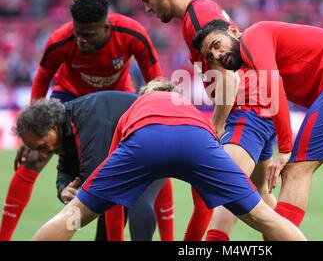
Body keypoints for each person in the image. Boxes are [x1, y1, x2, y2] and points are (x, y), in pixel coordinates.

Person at [194, 19, 323, 241]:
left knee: (295, 171)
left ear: (234, 32)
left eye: (217, 45)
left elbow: (274, 88)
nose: (216, 56)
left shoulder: (252, 37)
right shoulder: (261, 50)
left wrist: (285, 149)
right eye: (209, 56)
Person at [28, 80, 306, 241]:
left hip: (145, 138)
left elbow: (112, 201)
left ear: (145, 94)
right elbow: (202, 201)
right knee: (263, 216)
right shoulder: (191, 108)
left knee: (73, 215)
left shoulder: (136, 107)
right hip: (198, 139)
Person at [0, 0, 174, 241]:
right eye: (78, 32)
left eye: (89, 35)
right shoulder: (61, 40)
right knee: (34, 156)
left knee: (150, 162)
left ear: (107, 27)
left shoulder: (131, 34)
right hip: (69, 100)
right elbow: (42, 78)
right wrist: (33, 129)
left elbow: (156, 80)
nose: (81, 40)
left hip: (115, 102)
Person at [133, 0, 277, 241]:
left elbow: (229, 78)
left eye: (147, 0)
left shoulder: (198, 17)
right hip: (260, 105)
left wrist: (217, 124)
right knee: (259, 198)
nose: (147, 9)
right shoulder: (199, 12)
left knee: (223, 195)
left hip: (246, 108)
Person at [11, 91, 165, 240]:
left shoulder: (86, 120)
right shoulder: (67, 123)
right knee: (111, 197)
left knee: (136, 200)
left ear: (52, 128)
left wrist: (69, 216)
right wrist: (64, 188)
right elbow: (67, 167)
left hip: (158, 135)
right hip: (140, 145)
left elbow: (97, 179)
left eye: (42, 146)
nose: (43, 154)